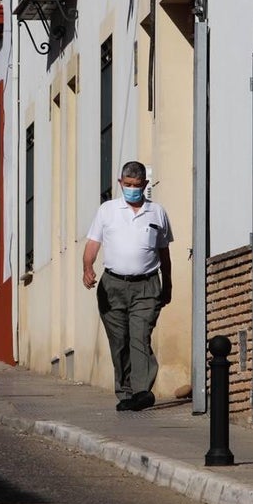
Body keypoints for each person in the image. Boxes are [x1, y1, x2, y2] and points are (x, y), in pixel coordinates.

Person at [83, 160, 174, 412]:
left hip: (146, 286)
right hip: (112, 286)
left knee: (140, 336)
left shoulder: (157, 212)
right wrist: (88, 268)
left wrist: (168, 285)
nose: (132, 189)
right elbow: (92, 245)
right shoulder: (107, 210)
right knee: (119, 340)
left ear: (145, 185)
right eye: (128, 184)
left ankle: (142, 391)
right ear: (120, 183)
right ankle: (125, 392)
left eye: (137, 185)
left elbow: (164, 254)